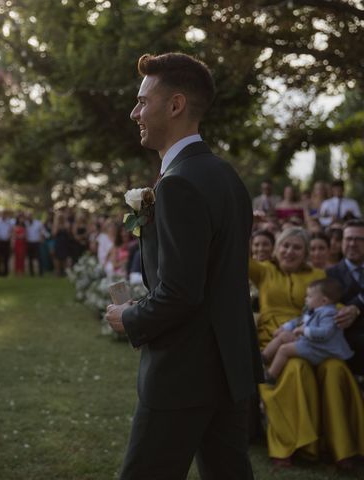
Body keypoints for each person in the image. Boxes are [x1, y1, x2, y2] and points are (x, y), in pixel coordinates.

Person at [105, 52, 261, 480]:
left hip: (183, 373)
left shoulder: (177, 185)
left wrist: (128, 316)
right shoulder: (227, 177)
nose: (135, 112)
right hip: (228, 366)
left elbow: (181, 294)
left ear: (174, 105)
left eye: (143, 101)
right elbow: (206, 279)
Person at [250, 227, 364, 468]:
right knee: (295, 367)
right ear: (277, 248)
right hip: (275, 339)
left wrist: (350, 310)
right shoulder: (265, 271)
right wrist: (248, 225)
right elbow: (239, 255)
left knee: (335, 368)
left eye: (297, 247)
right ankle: (295, 445)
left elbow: (331, 305)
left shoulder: (318, 274)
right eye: (285, 245)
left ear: (305, 253)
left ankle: (344, 448)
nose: (290, 251)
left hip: (314, 338)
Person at [261, 278, 353, 380]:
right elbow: (299, 321)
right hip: (311, 342)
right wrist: (284, 327)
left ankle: (271, 376)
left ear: (323, 301)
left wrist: (304, 330)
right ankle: (264, 357)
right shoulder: (313, 310)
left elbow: (325, 333)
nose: (305, 299)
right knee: (283, 336)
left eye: (309, 296)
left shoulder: (329, 314)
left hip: (320, 350)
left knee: (284, 349)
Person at [327, 219, 364, 376]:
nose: (352, 244)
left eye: (359, 239)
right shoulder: (329, 274)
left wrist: (357, 306)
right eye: (348, 239)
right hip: (347, 347)